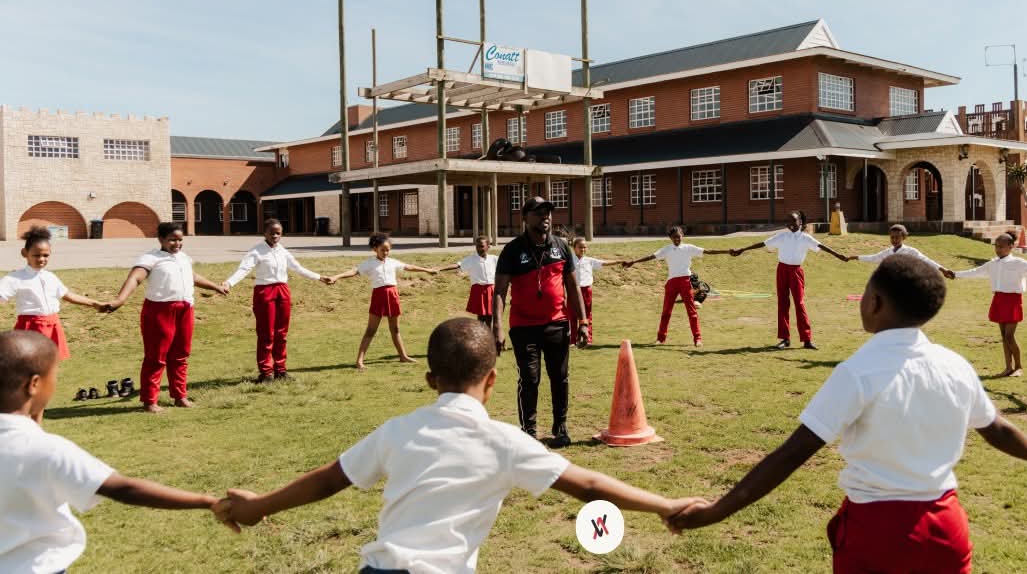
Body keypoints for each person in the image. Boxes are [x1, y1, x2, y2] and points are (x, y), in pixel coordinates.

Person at [667, 255, 1027, 573]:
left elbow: (791, 454)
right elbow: (998, 431)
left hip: (877, 532)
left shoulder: (857, 371)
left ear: (874, 303)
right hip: (945, 529)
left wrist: (716, 510)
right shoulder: (955, 364)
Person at [215, 318, 702, 573]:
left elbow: (329, 479)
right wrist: (664, 504)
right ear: (492, 381)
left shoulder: (397, 429)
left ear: (430, 379)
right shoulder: (505, 442)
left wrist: (260, 506)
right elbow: (590, 484)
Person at [0, 330, 233, 573]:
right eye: (54, 375)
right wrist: (208, 501)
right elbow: (124, 489)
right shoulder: (46, 450)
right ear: (34, 384)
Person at [493, 197, 588, 448]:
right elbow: (500, 291)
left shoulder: (561, 247)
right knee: (529, 379)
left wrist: (583, 322)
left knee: (560, 378)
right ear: (524, 218)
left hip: (557, 324)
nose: (545, 217)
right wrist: (497, 328)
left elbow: (573, 286)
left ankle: (560, 427)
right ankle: (529, 431)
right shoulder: (512, 250)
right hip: (523, 328)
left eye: (548, 213)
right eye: (538, 213)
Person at [104, 222, 228, 413]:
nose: (177, 244)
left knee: (181, 355)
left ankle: (180, 396)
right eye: (172, 240)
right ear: (161, 239)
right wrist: (120, 300)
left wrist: (215, 286)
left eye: (180, 240)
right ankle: (150, 401)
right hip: (159, 311)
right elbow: (135, 278)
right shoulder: (151, 258)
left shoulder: (183, 257)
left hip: (185, 309)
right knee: (156, 357)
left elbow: (193, 276)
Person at [221, 219, 333, 383]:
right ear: (264, 233)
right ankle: (266, 373)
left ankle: (280, 370)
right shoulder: (256, 251)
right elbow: (244, 269)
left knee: (281, 333)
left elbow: (298, 268)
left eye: (278, 233)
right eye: (271, 232)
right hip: (265, 292)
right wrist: (229, 282)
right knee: (266, 333)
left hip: (282, 291)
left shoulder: (282, 251)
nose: (275, 236)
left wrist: (320, 277)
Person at [728, 212, 849, 349]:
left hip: (796, 272)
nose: (790, 224)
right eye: (787, 221)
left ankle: (807, 339)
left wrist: (837, 254)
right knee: (783, 304)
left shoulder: (805, 238)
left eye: (793, 221)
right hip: (782, 270)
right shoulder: (782, 236)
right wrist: (742, 249)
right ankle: (785, 339)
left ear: (800, 223)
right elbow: (763, 243)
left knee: (799, 303)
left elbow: (821, 246)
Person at [948, 231, 1027, 377]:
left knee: (1009, 336)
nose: (998, 249)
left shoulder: (1018, 263)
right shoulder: (993, 263)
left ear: (1011, 246)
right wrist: (955, 274)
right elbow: (975, 272)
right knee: (1004, 336)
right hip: (998, 299)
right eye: (996, 246)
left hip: (1012, 300)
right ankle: (1008, 367)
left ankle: (1018, 367)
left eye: (1001, 246)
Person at [327, 233, 438, 369]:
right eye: (382, 249)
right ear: (375, 249)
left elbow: (409, 267)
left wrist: (427, 270)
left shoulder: (393, 262)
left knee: (395, 329)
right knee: (371, 330)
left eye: (388, 249)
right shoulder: (369, 264)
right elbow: (354, 271)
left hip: (393, 296)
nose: (386, 252)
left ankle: (403, 356)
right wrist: (336, 277)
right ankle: (359, 361)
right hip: (378, 297)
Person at [0, 226, 107, 362]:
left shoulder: (51, 277)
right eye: (36, 255)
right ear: (24, 253)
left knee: (50, 364)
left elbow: (68, 295)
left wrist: (95, 304)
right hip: (30, 328)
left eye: (45, 255)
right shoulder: (15, 278)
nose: (41, 259)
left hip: (53, 325)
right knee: (30, 365)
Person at [623, 226, 731, 348]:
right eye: (674, 237)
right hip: (672, 282)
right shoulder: (666, 249)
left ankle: (697, 339)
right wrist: (633, 262)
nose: (677, 239)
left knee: (691, 311)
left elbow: (708, 251)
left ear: (682, 236)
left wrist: (727, 251)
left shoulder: (689, 248)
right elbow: (650, 257)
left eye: (679, 237)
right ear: (670, 238)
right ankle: (660, 338)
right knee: (666, 312)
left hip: (685, 281)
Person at [848, 224, 952, 279]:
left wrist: (943, 270)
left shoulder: (911, 251)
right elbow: (873, 258)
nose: (894, 240)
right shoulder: (887, 252)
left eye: (897, 237)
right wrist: (855, 257)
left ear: (904, 237)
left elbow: (927, 260)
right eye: (892, 237)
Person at [435, 236, 498, 327]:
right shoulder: (471, 259)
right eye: (477, 246)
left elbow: (507, 267)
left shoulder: (494, 259)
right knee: (481, 317)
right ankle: (481, 336)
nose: (479, 248)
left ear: (488, 246)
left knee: (490, 316)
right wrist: (440, 268)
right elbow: (457, 265)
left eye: (482, 246)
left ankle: (490, 337)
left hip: (491, 290)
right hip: (479, 290)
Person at [567, 237, 617, 345]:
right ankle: (573, 340)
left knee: (588, 315)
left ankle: (588, 338)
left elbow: (604, 263)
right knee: (572, 315)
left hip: (586, 290)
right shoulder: (569, 261)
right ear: (574, 248)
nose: (583, 249)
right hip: (573, 291)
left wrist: (619, 261)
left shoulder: (589, 260)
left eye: (585, 247)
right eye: (580, 247)